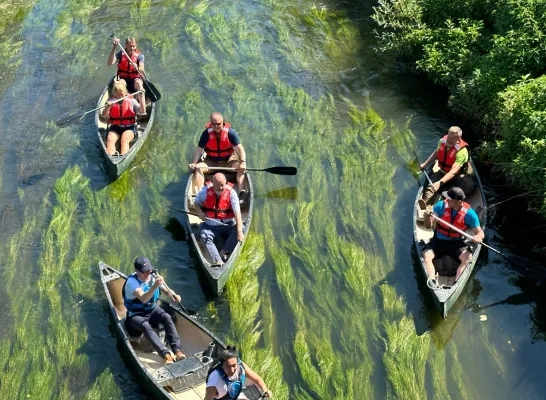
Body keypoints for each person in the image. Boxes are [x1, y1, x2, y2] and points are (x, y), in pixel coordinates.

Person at [122, 256, 186, 365]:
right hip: (135, 315)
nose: (147, 274)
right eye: (144, 272)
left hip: (151, 310)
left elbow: (166, 291)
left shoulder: (152, 277)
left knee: (167, 317)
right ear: (137, 271)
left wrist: (174, 295)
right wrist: (155, 285)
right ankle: (166, 355)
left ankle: (177, 351)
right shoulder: (132, 283)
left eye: (149, 270)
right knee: (145, 326)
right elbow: (143, 298)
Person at [423, 187, 485, 285]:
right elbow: (428, 226)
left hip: (456, 243)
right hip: (438, 240)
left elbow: (480, 233)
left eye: (449, 198)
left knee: (467, 257)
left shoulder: (470, 214)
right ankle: (432, 281)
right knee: (427, 255)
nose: (446, 199)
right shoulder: (441, 206)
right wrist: (427, 218)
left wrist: (478, 237)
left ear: (457, 201)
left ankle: (456, 282)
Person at [189, 112, 248, 203]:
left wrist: (243, 162)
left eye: (219, 124)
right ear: (210, 123)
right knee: (198, 168)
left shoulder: (231, 133)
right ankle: (201, 194)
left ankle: (241, 192)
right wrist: (194, 163)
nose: (216, 126)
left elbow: (240, 149)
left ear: (223, 122)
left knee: (241, 168)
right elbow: (199, 150)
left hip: (228, 161)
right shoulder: (206, 134)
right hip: (211, 161)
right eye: (214, 124)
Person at [194, 173, 245, 266]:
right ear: (213, 183)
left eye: (223, 185)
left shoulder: (232, 193)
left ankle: (224, 252)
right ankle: (218, 260)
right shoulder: (205, 191)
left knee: (241, 229)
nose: (221, 188)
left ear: (225, 182)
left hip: (227, 225)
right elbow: (196, 202)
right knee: (204, 235)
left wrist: (240, 232)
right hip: (210, 226)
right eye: (218, 185)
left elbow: (237, 213)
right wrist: (200, 212)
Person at [418, 126, 475, 209]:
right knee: (431, 186)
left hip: (457, 176)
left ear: (459, 138)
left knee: (468, 187)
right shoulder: (442, 141)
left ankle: (444, 201)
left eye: (452, 138)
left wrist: (440, 183)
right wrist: (425, 164)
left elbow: (453, 171)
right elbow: (436, 153)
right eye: (448, 137)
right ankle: (426, 205)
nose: (449, 140)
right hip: (442, 171)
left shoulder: (462, 151)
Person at [205, 345, 272, 400]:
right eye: (228, 366)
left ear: (237, 362)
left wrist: (266, 391)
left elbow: (257, 379)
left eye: (234, 365)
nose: (232, 370)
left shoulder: (240, 366)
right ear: (222, 366)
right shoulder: (215, 382)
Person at [101, 79, 146, 155]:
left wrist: (141, 98)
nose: (121, 96)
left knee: (124, 139)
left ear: (125, 92)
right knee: (110, 139)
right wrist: (108, 107)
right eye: (118, 95)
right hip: (116, 126)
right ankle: (112, 157)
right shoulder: (111, 101)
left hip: (130, 127)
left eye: (122, 94)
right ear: (114, 94)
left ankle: (123, 157)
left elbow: (142, 111)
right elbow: (104, 115)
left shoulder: (132, 101)